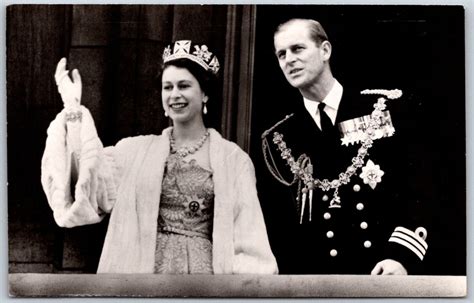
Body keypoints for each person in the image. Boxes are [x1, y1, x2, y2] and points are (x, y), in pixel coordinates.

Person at [41, 40, 278, 274]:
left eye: (184, 86)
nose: (175, 94)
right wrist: (72, 109)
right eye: (168, 87)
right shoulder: (133, 151)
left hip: (203, 279)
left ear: (205, 93)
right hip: (142, 272)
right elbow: (90, 184)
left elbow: (249, 236)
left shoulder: (233, 160)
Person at [259, 18, 428, 275]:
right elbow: (278, 226)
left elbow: (421, 188)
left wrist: (401, 256)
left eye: (297, 49)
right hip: (315, 282)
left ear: (325, 50)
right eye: (281, 54)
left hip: (383, 274)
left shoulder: (383, 109)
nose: (289, 59)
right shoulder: (278, 138)